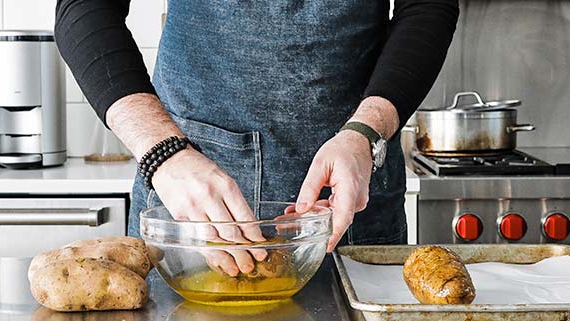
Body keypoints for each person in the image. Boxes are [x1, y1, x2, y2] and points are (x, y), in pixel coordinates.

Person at [55, 0, 459, 275]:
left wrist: (365, 132)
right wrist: (163, 153)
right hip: (186, 198)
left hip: (350, 192)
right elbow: (85, 8)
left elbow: (427, 7)